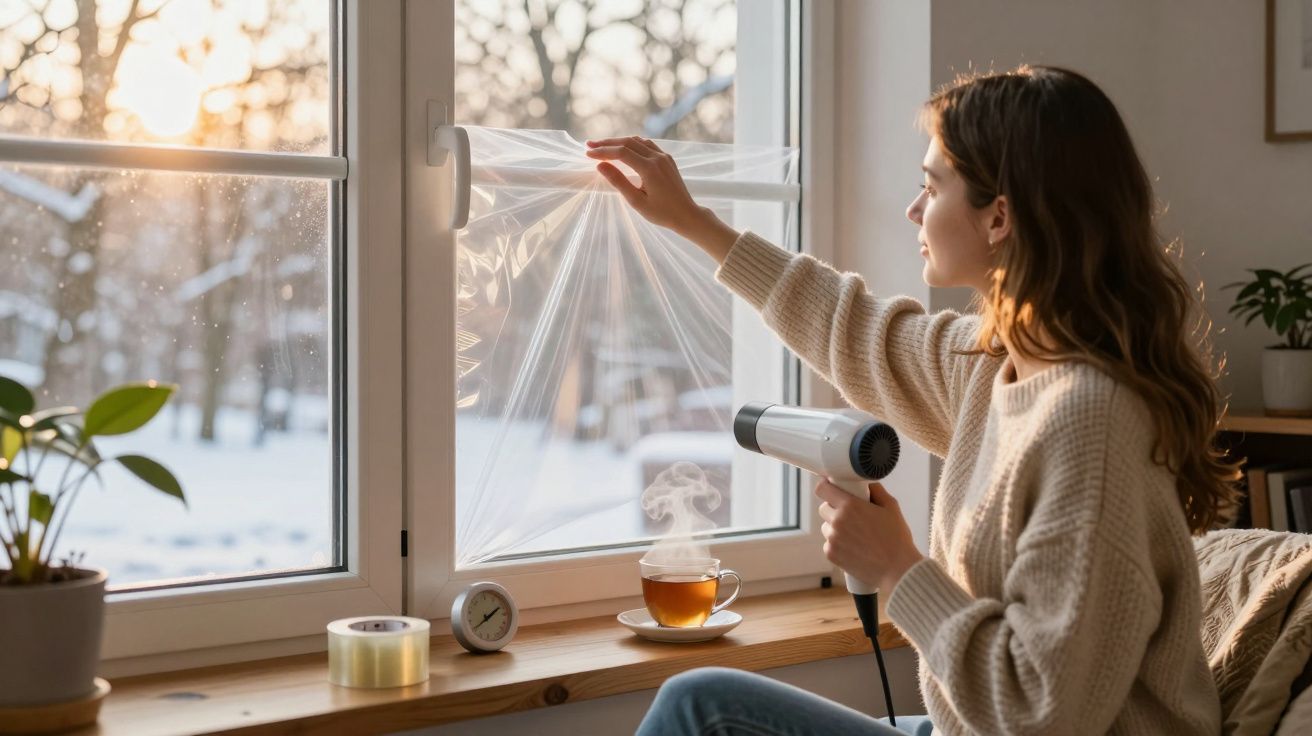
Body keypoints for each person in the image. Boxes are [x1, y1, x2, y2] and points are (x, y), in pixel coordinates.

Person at [586, 65, 1240, 735]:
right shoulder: (994, 371)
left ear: (999, 217)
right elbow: (851, 325)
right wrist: (694, 223)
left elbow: (1042, 714)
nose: (913, 208)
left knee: (703, 709)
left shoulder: (1089, 422)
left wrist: (896, 566)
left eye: (931, 187)